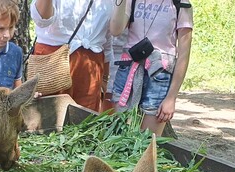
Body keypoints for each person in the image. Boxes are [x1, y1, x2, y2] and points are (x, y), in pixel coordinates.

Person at [110, 0, 194, 136]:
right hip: (128, 71)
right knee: (118, 135)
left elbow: (184, 54)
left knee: (148, 142)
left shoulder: (180, 3)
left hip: (159, 75)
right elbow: (115, 30)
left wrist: (171, 98)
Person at [31, 0, 113, 113]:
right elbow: (41, 20)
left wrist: (105, 78)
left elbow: (106, 39)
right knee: (48, 121)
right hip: (53, 64)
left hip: (91, 70)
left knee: (85, 125)